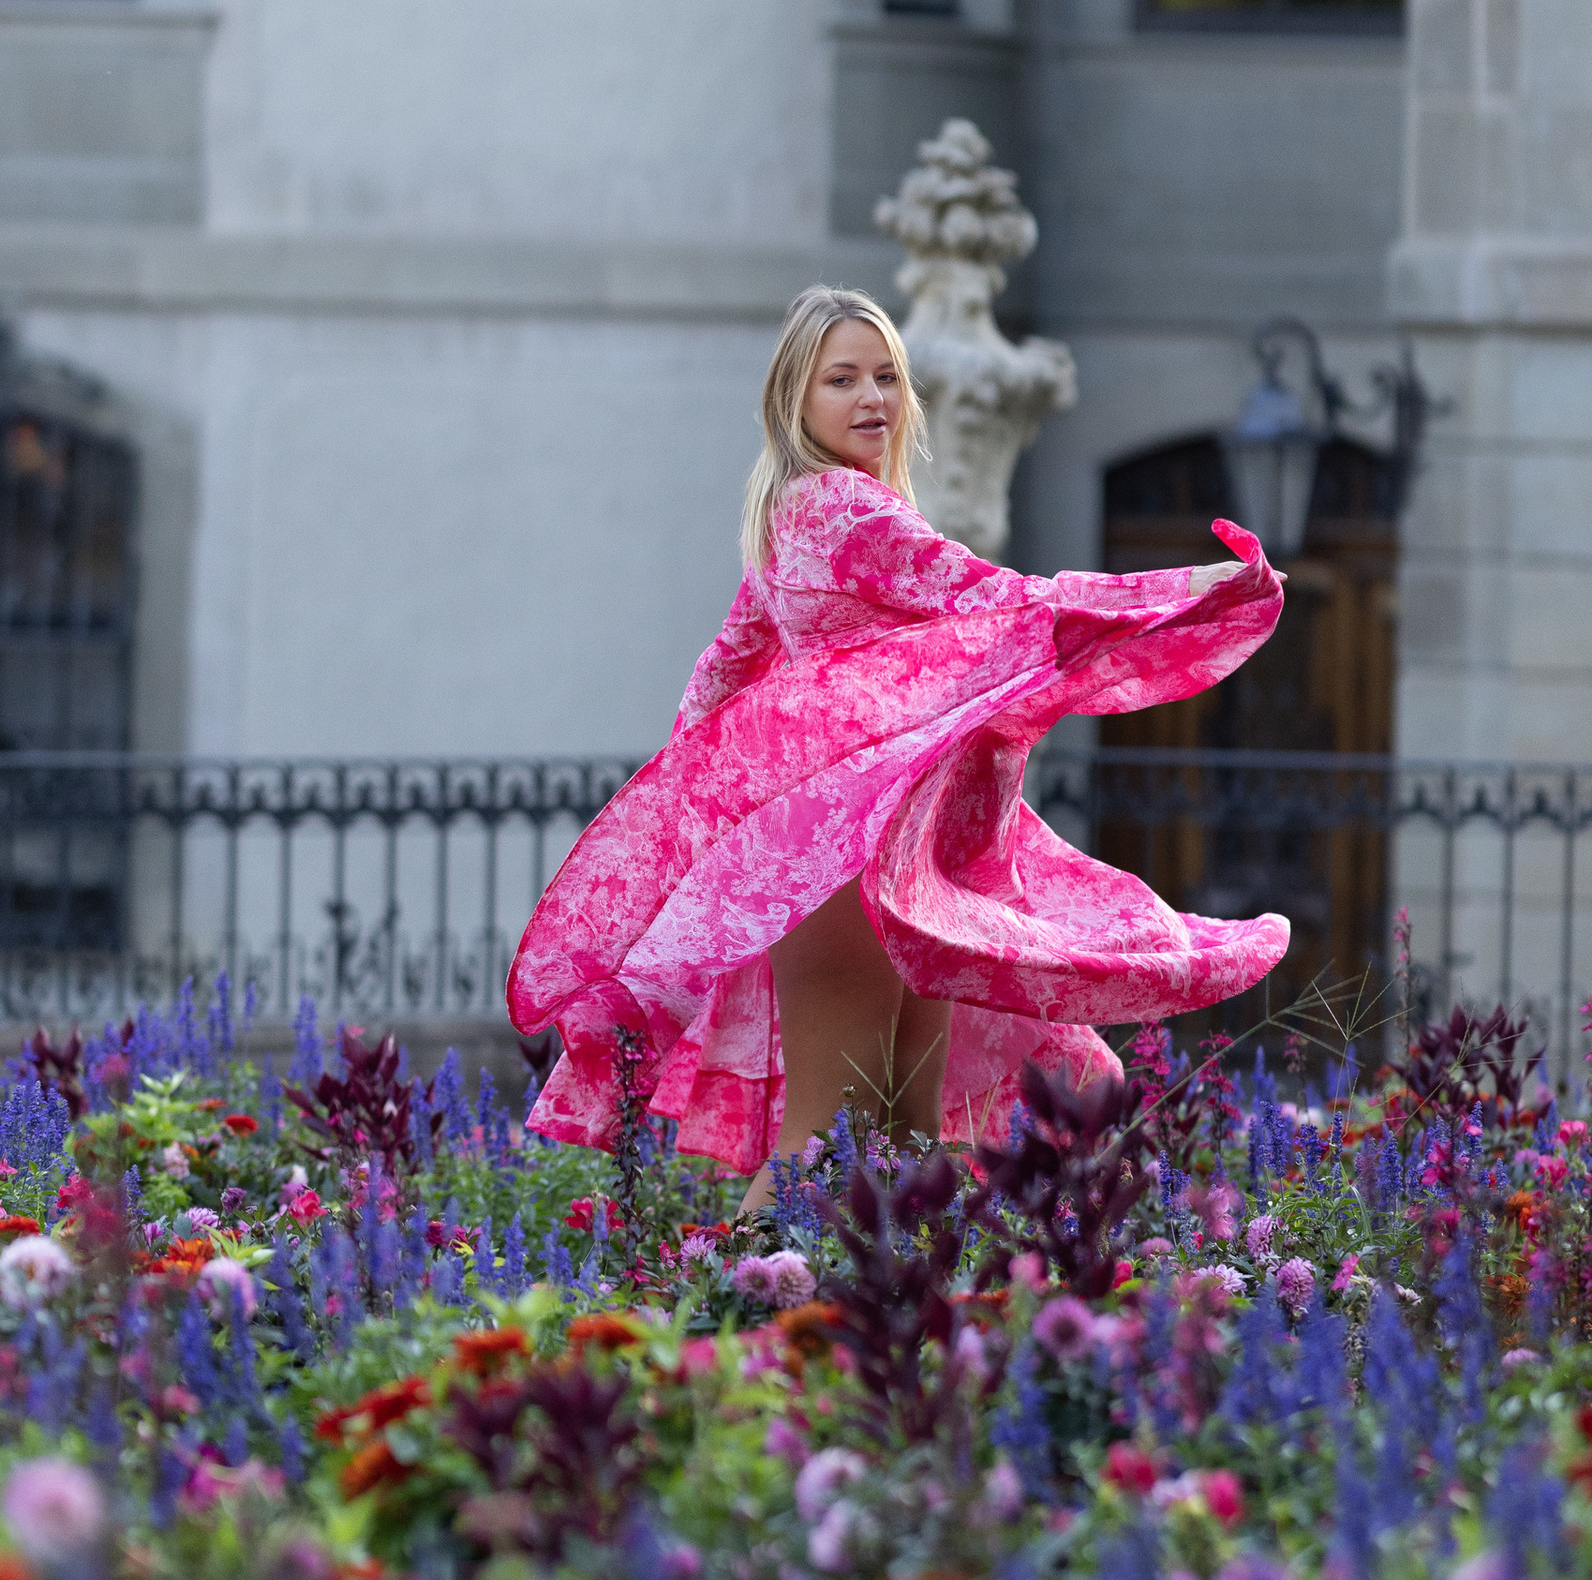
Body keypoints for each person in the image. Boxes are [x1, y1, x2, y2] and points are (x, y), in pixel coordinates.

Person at [506, 282, 1290, 1201]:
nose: (872, 398)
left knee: (914, 1135)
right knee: (830, 1145)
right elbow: (987, 595)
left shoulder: (786, 518)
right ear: (793, 399)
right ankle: (730, 1325)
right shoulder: (843, 509)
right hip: (854, 860)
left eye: (885, 376)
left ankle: (934, 1324)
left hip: (856, 855)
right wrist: (1180, 593)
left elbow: (719, 676)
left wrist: (706, 831)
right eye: (842, 379)